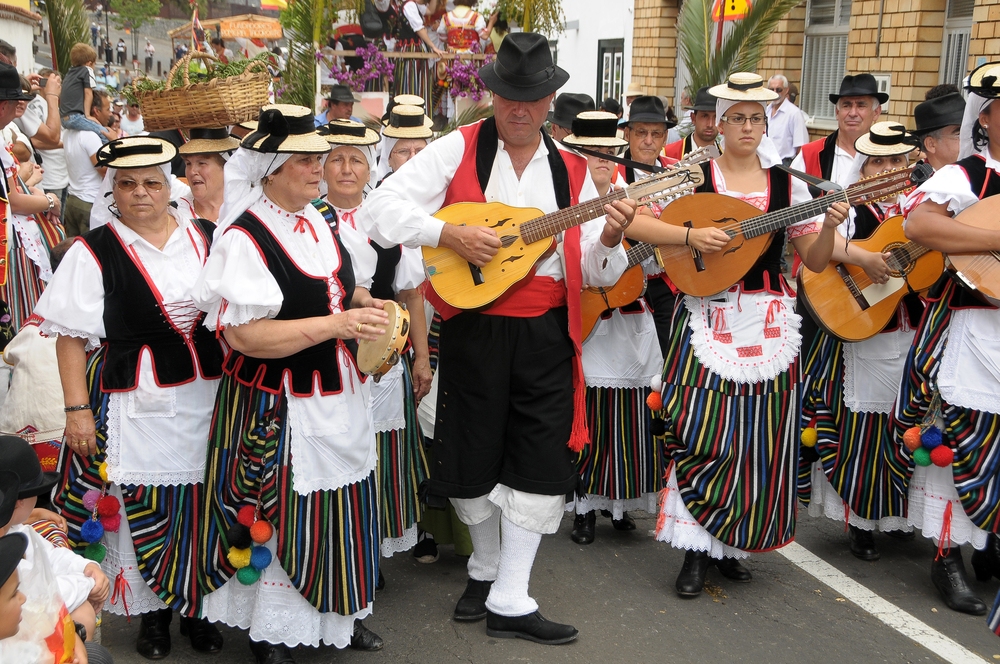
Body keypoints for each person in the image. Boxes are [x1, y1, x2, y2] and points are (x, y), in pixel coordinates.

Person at [360, 32, 634, 645]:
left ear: (549, 102)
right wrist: (446, 235)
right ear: (493, 95)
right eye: (509, 95)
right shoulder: (457, 148)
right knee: (472, 448)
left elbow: (591, 268)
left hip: (545, 331)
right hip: (472, 325)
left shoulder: (571, 170)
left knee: (538, 453)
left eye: (533, 99)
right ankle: (484, 567)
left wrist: (612, 239)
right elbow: (377, 210)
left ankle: (511, 593)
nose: (519, 109)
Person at [627, 72, 848, 598]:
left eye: (757, 118)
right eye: (737, 118)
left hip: (769, 316)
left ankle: (732, 543)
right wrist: (687, 235)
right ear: (718, 123)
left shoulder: (788, 185)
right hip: (705, 312)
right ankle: (693, 550)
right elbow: (635, 220)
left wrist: (834, 223)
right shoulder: (691, 176)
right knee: (704, 427)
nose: (747, 127)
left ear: (766, 122)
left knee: (759, 435)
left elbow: (814, 260)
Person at [191, 104, 387, 664]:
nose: (318, 168)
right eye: (304, 160)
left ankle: (337, 616)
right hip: (275, 403)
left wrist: (365, 305)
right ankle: (269, 629)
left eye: (318, 159)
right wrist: (337, 324)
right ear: (271, 169)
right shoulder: (246, 237)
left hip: (333, 391)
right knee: (280, 510)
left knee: (340, 506)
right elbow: (247, 337)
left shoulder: (321, 220)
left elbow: (334, 290)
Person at [38, 136, 227, 658]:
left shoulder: (207, 236)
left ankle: (198, 610)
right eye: (127, 183)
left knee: (201, 506)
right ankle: (153, 619)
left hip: (209, 394)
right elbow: (70, 337)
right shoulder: (93, 250)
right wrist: (77, 411)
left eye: (151, 182)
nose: (140, 193)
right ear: (112, 191)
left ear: (172, 187)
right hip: (136, 399)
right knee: (146, 504)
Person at [894, 62, 1000, 620]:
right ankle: (946, 553)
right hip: (974, 329)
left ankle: (990, 544)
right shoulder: (967, 176)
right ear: (986, 117)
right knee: (959, 436)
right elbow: (920, 227)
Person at [800, 121, 923, 564]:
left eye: (896, 160)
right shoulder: (849, 208)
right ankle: (860, 519)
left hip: (911, 328)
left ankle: (899, 515)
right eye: (878, 162)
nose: (887, 169)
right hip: (864, 325)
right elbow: (817, 247)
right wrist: (865, 258)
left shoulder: (922, 207)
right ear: (864, 166)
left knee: (905, 423)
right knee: (864, 430)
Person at [322, 116, 433, 582]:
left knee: (382, 454)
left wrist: (423, 358)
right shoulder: (309, 220)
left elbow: (412, 295)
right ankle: (337, 543)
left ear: (372, 168)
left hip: (384, 361)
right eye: (337, 159)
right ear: (322, 167)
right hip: (325, 355)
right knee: (334, 451)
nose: (347, 168)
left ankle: (371, 546)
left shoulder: (386, 220)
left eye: (357, 160)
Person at [560, 110, 665, 544]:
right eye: (592, 151)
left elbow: (655, 264)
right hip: (590, 323)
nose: (601, 159)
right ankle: (585, 508)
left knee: (635, 418)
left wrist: (663, 244)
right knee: (595, 418)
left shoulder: (635, 199)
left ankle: (622, 506)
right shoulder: (566, 202)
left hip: (632, 324)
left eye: (608, 152)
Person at [0, 468, 114, 664]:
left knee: (96, 653)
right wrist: (87, 584)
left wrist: (88, 566)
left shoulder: (19, 532)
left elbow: (51, 557)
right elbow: (37, 600)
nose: (22, 596)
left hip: (28, 631)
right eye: (14, 594)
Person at [63, 89, 112, 237]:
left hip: (73, 200)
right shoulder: (90, 135)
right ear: (96, 111)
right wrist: (115, 143)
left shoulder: (68, 132)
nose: (110, 113)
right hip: (88, 202)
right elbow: (103, 170)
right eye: (108, 109)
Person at [17, 70, 67, 210]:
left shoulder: (54, 105)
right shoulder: (34, 104)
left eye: (57, 83)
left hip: (60, 176)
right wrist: (52, 96)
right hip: (47, 178)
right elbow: (51, 137)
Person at [434, 0, 486, 123]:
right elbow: (484, 37)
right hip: (472, 61)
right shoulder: (476, 17)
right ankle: (472, 120)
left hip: (454, 61)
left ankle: (453, 121)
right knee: (473, 90)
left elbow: (443, 38)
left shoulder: (446, 17)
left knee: (453, 90)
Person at [176, 128, 237, 223]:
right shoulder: (176, 214)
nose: (192, 171)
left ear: (226, 167)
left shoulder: (247, 208)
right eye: (188, 163)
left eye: (201, 163)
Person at [59, 43, 112, 143]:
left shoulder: (70, 72)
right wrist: (87, 115)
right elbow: (88, 93)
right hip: (75, 116)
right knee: (104, 133)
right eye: (94, 64)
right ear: (89, 64)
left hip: (63, 118)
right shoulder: (86, 71)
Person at [394, 0, 444, 105]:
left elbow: (430, 10)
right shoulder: (409, 5)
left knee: (417, 84)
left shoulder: (412, 4)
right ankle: (412, 113)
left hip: (413, 50)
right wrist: (433, 46)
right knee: (412, 85)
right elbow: (419, 29)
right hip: (412, 50)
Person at [912, 92, 965, 172]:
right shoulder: (913, 182)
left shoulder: (980, 177)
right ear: (931, 144)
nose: (969, 140)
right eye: (959, 135)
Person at [663, 86, 718, 159]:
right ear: (693, 118)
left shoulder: (727, 156)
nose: (710, 124)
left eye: (715, 117)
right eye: (704, 116)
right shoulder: (669, 153)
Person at [766, 74, 809, 166]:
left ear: (786, 90)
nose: (775, 92)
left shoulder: (794, 113)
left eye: (779, 90)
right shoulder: (765, 111)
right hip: (765, 163)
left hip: (784, 165)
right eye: (771, 89)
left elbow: (802, 147)